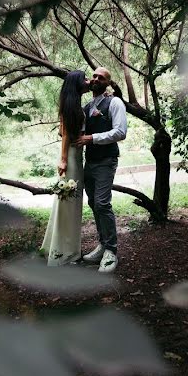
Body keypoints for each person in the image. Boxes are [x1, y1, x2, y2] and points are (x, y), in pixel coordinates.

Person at [74, 67, 127, 273]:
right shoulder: (87, 106)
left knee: (102, 203)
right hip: (90, 161)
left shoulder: (114, 102)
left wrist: (92, 138)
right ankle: (102, 245)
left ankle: (111, 251)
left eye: (101, 77)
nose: (95, 79)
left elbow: (120, 132)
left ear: (107, 83)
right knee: (93, 203)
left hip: (106, 160)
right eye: (94, 76)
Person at [39, 70, 88, 266]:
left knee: (69, 204)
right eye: (84, 79)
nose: (87, 81)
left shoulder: (74, 105)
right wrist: (64, 159)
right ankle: (64, 253)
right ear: (77, 84)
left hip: (76, 157)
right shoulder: (71, 106)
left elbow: (63, 130)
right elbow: (65, 133)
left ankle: (61, 248)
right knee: (68, 204)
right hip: (72, 159)